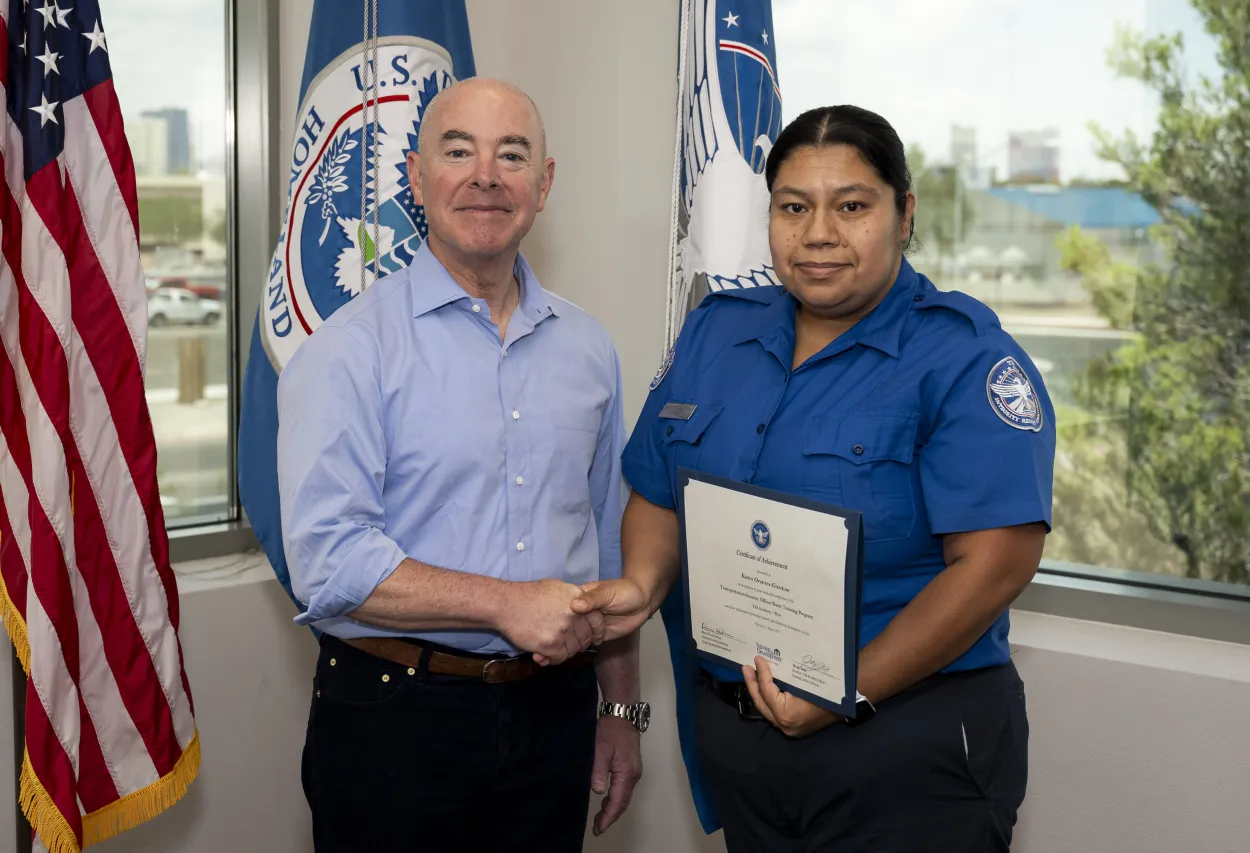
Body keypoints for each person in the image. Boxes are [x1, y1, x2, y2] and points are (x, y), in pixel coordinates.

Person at [574, 104, 1054, 852]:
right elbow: (660, 491)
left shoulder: (961, 356)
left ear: (904, 212)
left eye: (852, 206)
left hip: (903, 743)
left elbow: (997, 563)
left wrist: (846, 689)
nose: (819, 232)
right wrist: (639, 586)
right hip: (743, 737)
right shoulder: (717, 330)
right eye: (793, 207)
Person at [277, 78, 647, 853]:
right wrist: (505, 603)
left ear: (543, 185)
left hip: (557, 715)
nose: (486, 175)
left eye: (512, 154)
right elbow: (328, 561)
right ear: (416, 178)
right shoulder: (349, 349)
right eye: (458, 151)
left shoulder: (590, 349)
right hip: (395, 720)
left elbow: (608, 550)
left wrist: (619, 714)